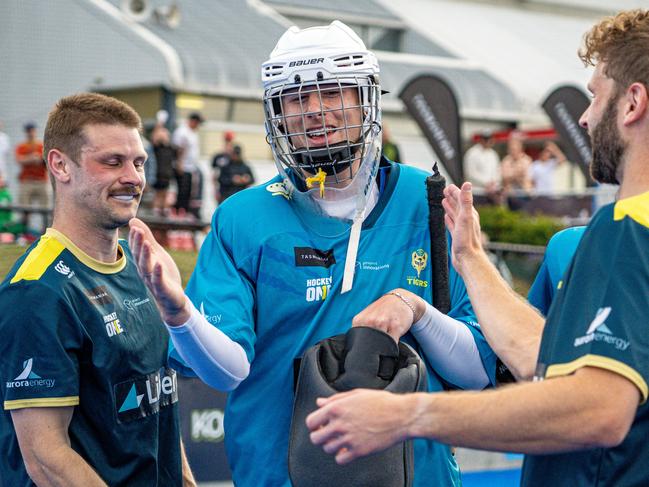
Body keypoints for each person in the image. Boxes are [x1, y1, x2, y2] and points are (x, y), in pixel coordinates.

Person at [129, 20, 497, 487]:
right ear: (276, 112)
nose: (314, 111)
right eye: (296, 98)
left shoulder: (426, 201)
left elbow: (478, 371)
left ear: (365, 98)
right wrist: (178, 312)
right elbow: (226, 371)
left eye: (333, 92)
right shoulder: (243, 217)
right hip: (278, 473)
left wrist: (417, 312)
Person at [306, 10, 649, 487]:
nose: (586, 118)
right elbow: (545, 359)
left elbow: (598, 408)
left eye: (595, 95)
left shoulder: (628, 229)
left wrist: (405, 415)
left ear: (632, 103)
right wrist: (471, 261)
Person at [0, 93, 195, 486]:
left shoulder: (142, 266)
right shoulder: (37, 291)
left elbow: (159, 405)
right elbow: (45, 458)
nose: (134, 177)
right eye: (112, 162)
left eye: (138, 162)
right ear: (60, 165)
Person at [172, 112, 203, 219]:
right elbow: (179, 149)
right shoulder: (182, 132)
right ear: (193, 121)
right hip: (183, 166)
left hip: (190, 167)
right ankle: (177, 211)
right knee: (182, 190)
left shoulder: (193, 132)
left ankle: (184, 211)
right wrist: (179, 163)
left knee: (188, 191)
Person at [15, 121, 49, 207]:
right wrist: (31, 158)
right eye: (28, 131)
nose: (30, 133)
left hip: (41, 181)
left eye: (32, 130)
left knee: (45, 207)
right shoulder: (21, 146)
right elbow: (19, 160)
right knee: (24, 207)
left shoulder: (41, 146)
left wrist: (40, 159)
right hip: (27, 180)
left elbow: (47, 161)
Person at [151, 110, 178, 214]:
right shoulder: (157, 148)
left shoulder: (170, 148)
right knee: (158, 194)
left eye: (166, 134)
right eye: (162, 134)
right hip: (159, 175)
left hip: (167, 175)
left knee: (166, 194)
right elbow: (155, 136)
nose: (164, 135)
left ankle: (164, 212)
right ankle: (156, 212)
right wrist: (160, 122)